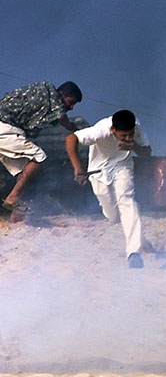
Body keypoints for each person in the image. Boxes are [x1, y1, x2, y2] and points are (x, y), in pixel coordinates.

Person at [65, 109, 152, 268]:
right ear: (113, 130)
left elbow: (147, 152)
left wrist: (133, 146)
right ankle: (140, 238)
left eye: (130, 134)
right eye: (123, 135)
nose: (127, 138)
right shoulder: (102, 130)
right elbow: (71, 139)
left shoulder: (136, 127)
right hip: (99, 170)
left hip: (122, 167)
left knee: (126, 200)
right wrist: (77, 167)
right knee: (112, 215)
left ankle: (134, 252)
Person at [0, 80, 82, 219]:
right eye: (71, 101)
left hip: (9, 130)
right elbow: (62, 117)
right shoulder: (50, 92)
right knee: (39, 156)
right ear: (62, 94)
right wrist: (73, 128)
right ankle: (13, 197)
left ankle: (16, 215)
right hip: (5, 127)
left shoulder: (42, 98)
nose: (71, 107)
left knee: (26, 171)